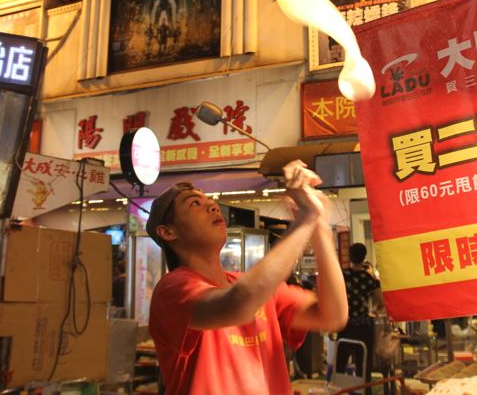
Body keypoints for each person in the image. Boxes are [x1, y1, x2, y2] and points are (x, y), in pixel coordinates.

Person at [146, 160, 347, 395]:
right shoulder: (172, 289)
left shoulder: (255, 287)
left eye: (210, 201)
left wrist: (319, 226)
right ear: (168, 232)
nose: (212, 206)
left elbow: (333, 315)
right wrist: (305, 220)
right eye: (195, 203)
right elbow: (238, 303)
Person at [335, 243, 383, 394]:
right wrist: (373, 309)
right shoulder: (369, 278)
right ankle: (364, 391)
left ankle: (338, 390)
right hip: (363, 325)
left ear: (350, 256)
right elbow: (380, 302)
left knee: (341, 362)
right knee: (363, 364)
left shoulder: (343, 275)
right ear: (364, 257)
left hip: (346, 323)